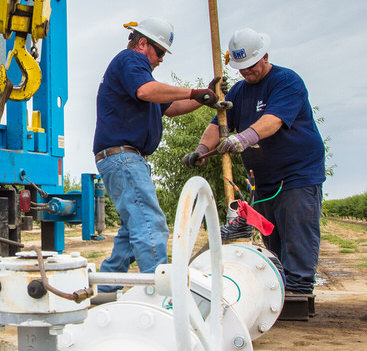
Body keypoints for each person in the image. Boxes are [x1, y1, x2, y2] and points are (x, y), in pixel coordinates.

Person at [185, 27, 325, 304]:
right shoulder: (238, 91)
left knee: (297, 235)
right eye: (241, 68)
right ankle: (282, 291)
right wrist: (202, 149)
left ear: (265, 57)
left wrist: (244, 138)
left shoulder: (286, 81)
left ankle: (299, 294)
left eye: (250, 66)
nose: (246, 72)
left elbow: (273, 120)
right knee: (273, 240)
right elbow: (218, 124)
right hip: (263, 180)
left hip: (297, 174)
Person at [93, 16, 223, 278]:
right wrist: (192, 91)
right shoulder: (132, 61)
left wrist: (202, 98)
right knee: (151, 225)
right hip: (123, 157)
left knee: (132, 230)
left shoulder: (138, 75)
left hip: (123, 158)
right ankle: (160, 292)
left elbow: (172, 109)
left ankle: (107, 288)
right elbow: (146, 91)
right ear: (142, 43)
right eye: (160, 52)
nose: (161, 59)